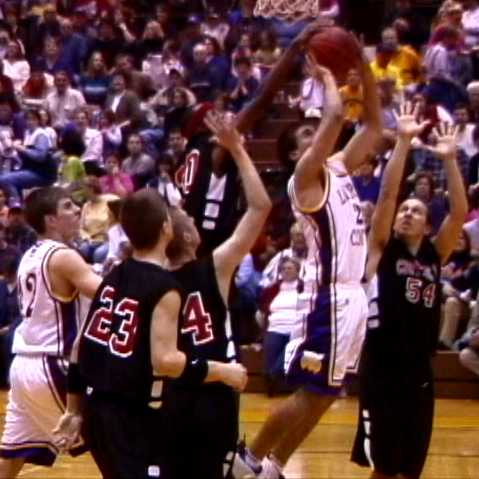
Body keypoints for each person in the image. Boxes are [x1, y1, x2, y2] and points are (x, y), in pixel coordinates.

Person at [232, 37, 382, 477]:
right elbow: (335, 115)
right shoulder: (304, 179)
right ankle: (244, 463)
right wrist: (330, 76)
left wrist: (364, 69)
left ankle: (274, 467)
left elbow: (374, 127)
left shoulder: (338, 166)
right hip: (328, 298)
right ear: (297, 154)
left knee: (326, 392)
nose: (313, 130)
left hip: (352, 295)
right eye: (304, 135)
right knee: (309, 390)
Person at [53, 189, 247, 479]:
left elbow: (79, 347)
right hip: (131, 419)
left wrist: (73, 409)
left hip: (97, 415)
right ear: (166, 228)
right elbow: (166, 361)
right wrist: (222, 371)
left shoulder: (113, 276)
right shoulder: (164, 288)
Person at [352, 118, 468, 478]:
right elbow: (387, 194)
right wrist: (402, 142)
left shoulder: (435, 254)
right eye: (404, 209)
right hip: (382, 364)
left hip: (419, 367)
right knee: (384, 467)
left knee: (410, 467)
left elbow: (459, 212)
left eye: (416, 211)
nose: (406, 213)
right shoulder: (382, 249)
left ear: (428, 225)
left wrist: (450, 160)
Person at [165, 111, 271, 478]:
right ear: (189, 236)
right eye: (189, 220)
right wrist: (238, 150)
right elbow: (260, 207)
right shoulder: (215, 268)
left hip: (173, 391)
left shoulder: (148, 279)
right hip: (217, 389)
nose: (193, 219)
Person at [0, 186, 102, 478]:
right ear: (51, 220)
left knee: (11, 457)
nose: (77, 210)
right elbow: (107, 294)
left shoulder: (29, 255)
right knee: (111, 443)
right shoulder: (63, 256)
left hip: (22, 366)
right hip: (52, 366)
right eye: (68, 206)